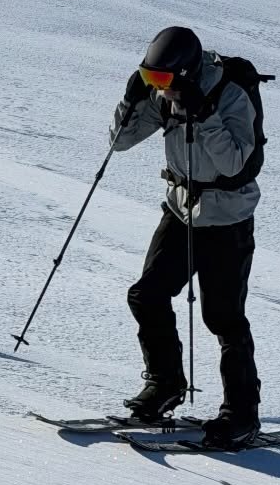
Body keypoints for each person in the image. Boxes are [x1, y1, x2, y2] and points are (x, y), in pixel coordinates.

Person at [110, 25, 263, 449]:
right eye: (150, 79)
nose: (159, 89)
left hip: (228, 219)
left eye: (162, 80)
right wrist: (133, 98)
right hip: (181, 211)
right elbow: (120, 143)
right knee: (147, 295)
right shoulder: (164, 94)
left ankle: (242, 416)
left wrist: (204, 115)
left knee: (224, 319)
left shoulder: (230, 95)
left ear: (187, 72)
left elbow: (235, 163)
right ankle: (165, 385)